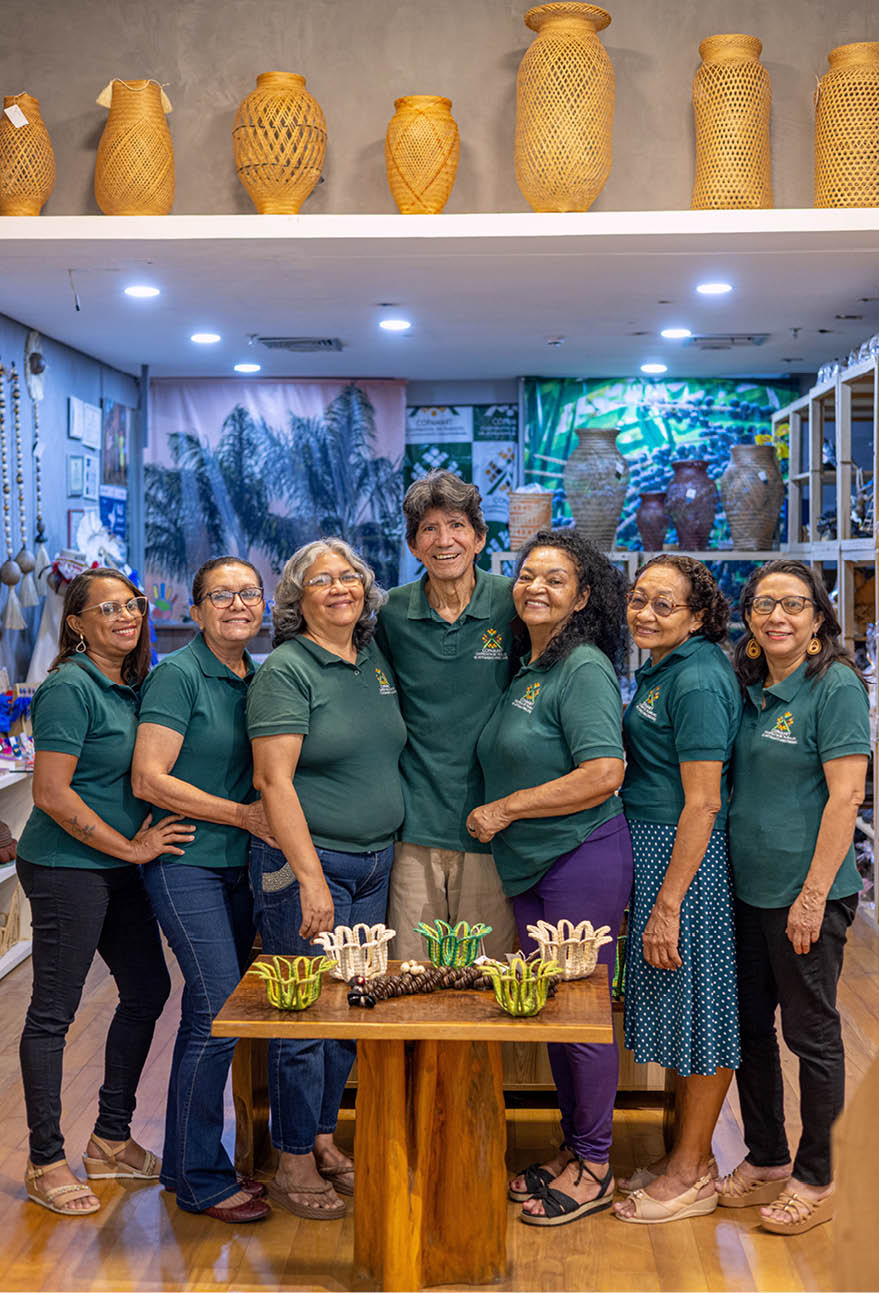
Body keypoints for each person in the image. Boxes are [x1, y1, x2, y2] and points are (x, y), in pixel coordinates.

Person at [16, 568, 195, 1217]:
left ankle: (111, 1140)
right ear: (77, 622)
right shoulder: (70, 686)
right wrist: (132, 847)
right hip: (68, 867)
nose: (126, 615)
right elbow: (51, 793)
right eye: (108, 608)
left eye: (133, 604)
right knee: (53, 1014)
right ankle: (43, 1159)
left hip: (114, 866)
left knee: (148, 989)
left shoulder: (131, 685)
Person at [468, 529, 633, 1227]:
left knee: (580, 1017)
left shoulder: (584, 666)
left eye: (555, 579)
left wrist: (504, 808)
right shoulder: (530, 664)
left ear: (584, 595)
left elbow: (603, 772)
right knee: (556, 1014)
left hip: (579, 857)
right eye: (527, 574)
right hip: (532, 863)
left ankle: (595, 1165)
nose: (535, 586)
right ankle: (573, 1146)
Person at [247, 538, 406, 1218]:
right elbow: (272, 780)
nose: (339, 587)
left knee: (347, 1016)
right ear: (297, 597)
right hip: (310, 867)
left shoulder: (369, 658)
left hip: (376, 864)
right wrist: (310, 878)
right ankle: (288, 1159)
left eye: (349, 576)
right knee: (304, 1016)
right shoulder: (286, 669)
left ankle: (319, 1137)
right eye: (321, 580)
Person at [716, 559, 869, 1235]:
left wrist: (811, 898)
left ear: (816, 620)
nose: (776, 615)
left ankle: (817, 1174)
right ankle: (768, 1156)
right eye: (763, 603)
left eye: (793, 605)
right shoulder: (745, 684)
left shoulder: (831, 685)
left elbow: (846, 795)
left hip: (804, 897)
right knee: (749, 1031)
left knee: (811, 1037)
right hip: (744, 891)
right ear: (747, 616)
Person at [132, 557, 273, 1223]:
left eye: (249, 593)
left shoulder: (260, 676)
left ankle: (182, 1161)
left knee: (211, 1013)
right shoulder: (178, 675)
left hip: (238, 868)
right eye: (222, 595)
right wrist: (242, 815)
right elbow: (149, 779)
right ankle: (201, 1180)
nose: (237, 604)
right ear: (196, 610)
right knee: (217, 1012)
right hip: (187, 861)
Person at [611, 555, 742, 1225]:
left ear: (697, 615)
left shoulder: (695, 678)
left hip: (683, 862)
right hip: (657, 851)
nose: (645, 613)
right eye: (639, 599)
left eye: (664, 604)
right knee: (679, 1007)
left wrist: (667, 902)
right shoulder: (664, 668)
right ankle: (683, 1157)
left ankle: (692, 1171)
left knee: (700, 1012)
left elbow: (702, 802)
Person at [375, 471, 517, 960]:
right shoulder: (389, 613)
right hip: (414, 827)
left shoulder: (514, 603)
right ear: (414, 546)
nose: (443, 540)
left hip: (493, 824)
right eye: (428, 529)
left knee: (487, 977)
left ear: (479, 537)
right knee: (411, 976)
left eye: (456, 525)